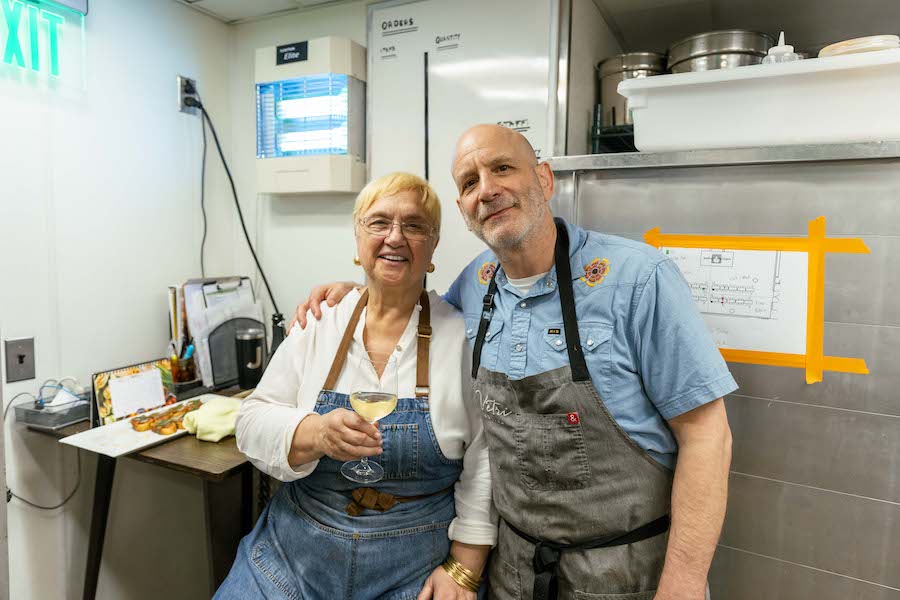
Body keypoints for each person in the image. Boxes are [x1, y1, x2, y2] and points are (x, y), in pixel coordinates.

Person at [291, 124, 737, 600]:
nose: (486, 189)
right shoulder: (476, 285)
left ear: (544, 180)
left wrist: (684, 586)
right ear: (464, 211)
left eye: (502, 168)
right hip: (515, 573)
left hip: (628, 574)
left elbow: (708, 436)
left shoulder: (639, 279)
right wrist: (358, 291)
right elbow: (415, 311)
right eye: (468, 183)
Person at [216, 172, 496, 600]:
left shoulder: (461, 336)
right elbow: (251, 422)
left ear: (433, 246)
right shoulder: (320, 321)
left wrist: (463, 568)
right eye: (379, 223)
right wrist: (314, 433)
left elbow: (484, 461)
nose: (395, 237)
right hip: (292, 556)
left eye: (414, 225)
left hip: (415, 566)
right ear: (358, 236)